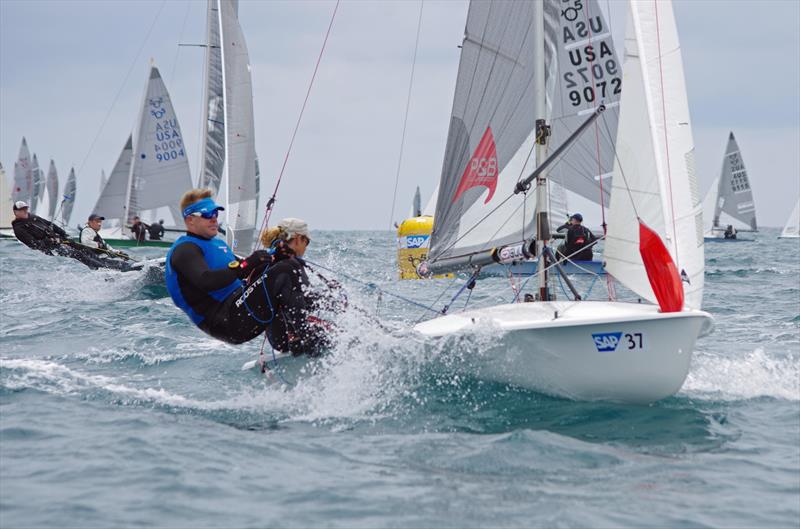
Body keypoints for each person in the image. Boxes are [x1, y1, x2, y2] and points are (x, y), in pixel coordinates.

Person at [166, 189, 336, 355]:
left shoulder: (218, 244)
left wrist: (275, 257)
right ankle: (304, 335)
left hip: (240, 307)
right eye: (207, 215)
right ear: (190, 220)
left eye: (216, 214)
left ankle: (301, 336)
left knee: (286, 267)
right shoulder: (185, 250)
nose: (214, 219)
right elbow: (206, 281)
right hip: (225, 320)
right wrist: (246, 265)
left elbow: (249, 272)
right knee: (287, 269)